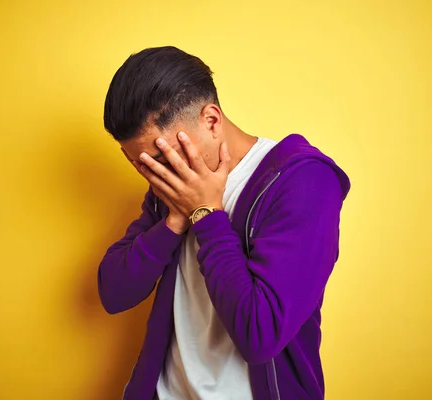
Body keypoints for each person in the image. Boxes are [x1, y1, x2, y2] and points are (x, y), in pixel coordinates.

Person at [97, 46, 350, 400]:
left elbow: (260, 334)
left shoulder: (303, 182)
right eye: (138, 164)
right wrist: (174, 220)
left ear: (211, 121)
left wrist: (206, 214)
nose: (152, 174)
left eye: (159, 158)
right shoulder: (168, 189)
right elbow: (113, 291)